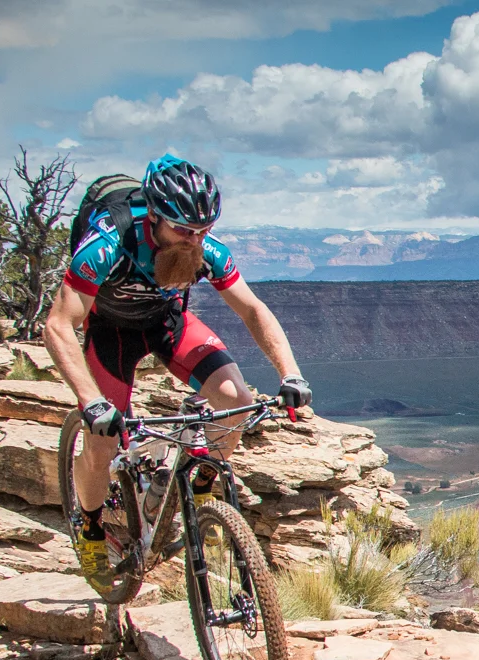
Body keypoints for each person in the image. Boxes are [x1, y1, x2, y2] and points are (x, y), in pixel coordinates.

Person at [42, 154, 312, 593]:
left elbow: (252, 309)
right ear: (154, 216)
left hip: (168, 322)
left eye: (203, 231)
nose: (194, 241)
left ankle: (202, 481)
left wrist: (291, 373)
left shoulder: (206, 250)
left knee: (236, 401)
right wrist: (92, 403)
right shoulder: (108, 244)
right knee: (102, 442)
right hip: (110, 332)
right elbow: (59, 324)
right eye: (184, 230)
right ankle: (91, 528)